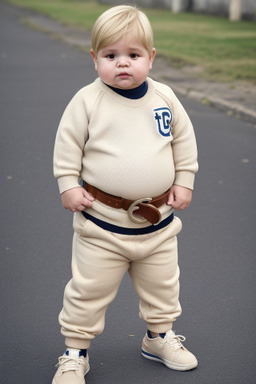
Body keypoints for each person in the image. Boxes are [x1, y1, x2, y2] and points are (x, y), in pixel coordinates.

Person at [52, 5, 199, 384]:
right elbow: (68, 145)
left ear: (150, 57)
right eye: (110, 56)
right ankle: (75, 352)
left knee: (164, 287)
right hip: (102, 224)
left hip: (158, 222)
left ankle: (159, 336)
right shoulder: (87, 100)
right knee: (88, 290)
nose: (122, 64)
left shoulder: (164, 97)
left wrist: (184, 180)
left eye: (133, 55)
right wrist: (68, 183)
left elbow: (183, 142)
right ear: (94, 59)